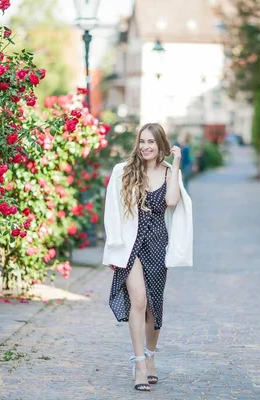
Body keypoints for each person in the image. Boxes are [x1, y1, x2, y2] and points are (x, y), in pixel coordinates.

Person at [102, 122, 193, 391]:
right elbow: (112, 211)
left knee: (153, 306)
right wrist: (113, 247)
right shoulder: (123, 170)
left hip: (157, 242)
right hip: (130, 242)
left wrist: (176, 163)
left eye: (151, 142)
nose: (145, 146)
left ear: (160, 145)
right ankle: (139, 363)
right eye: (142, 141)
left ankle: (151, 356)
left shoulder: (168, 173)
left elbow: (173, 201)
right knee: (138, 299)